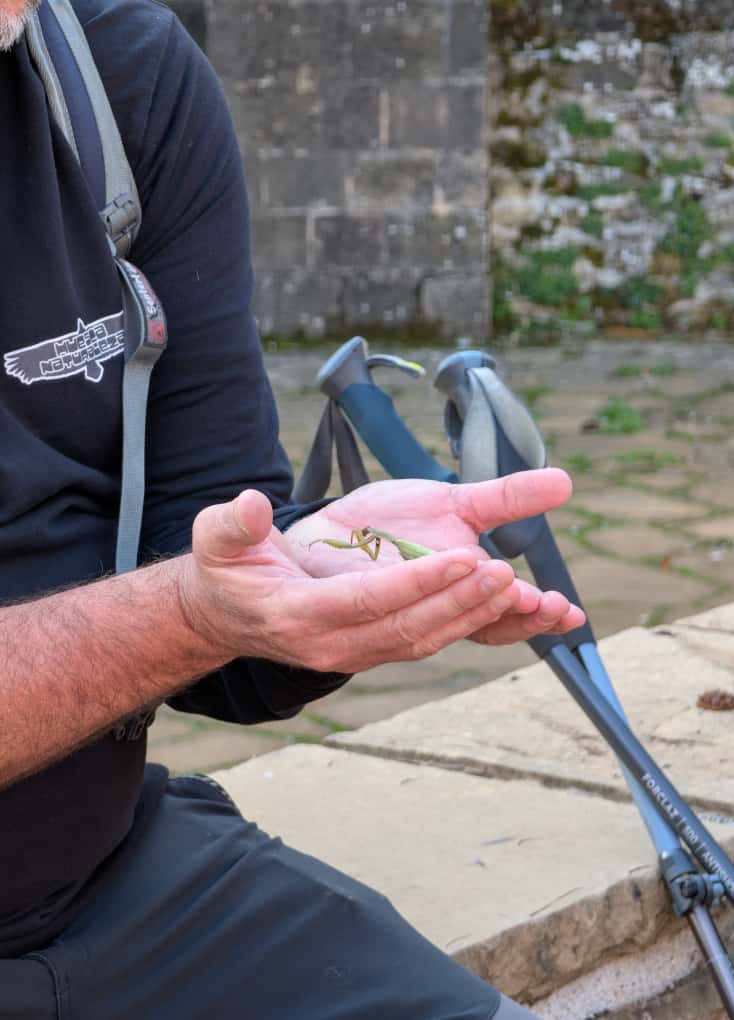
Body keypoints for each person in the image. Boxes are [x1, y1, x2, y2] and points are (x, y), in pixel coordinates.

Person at [0, 0, 585, 1015]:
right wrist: (185, 614)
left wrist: (318, 583)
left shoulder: (116, 74)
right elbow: (179, 610)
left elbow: (206, 546)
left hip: (119, 894)